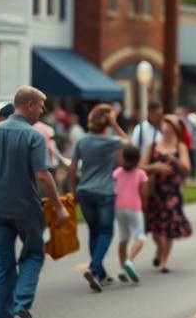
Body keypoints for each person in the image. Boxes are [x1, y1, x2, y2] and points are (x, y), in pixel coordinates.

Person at [0, 86, 68, 318]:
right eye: (41, 106)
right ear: (29, 105)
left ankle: (2, 315)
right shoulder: (33, 136)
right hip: (26, 208)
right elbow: (43, 175)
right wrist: (59, 206)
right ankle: (20, 306)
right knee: (33, 254)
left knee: (2, 264)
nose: (42, 111)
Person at [69, 103, 130, 291]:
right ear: (107, 121)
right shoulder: (110, 141)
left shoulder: (82, 141)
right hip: (104, 192)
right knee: (106, 232)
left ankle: (100, 274)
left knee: (94, 231)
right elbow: (129, 142)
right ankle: (94, 268)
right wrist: (115, 125)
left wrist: (73, 191)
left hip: (85, 191)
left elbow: (72, 169)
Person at [143, 115, 192, 272]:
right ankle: (160, 248)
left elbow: (187, 167)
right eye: (165, 124)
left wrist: (175, 160)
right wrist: (155, 167)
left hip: (173, 191)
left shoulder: (181, 146)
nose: (168, 127)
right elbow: (140, 166)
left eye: (171, 125)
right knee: (156, 227)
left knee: (170, 226)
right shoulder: (152, 146)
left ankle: (164, 260)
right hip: (155, 190)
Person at [113, 145, 148, 283]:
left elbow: (114, 187)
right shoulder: (140, 173)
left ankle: (122, 269)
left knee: (123, 237)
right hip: (134, 207)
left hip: (119, 207)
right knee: (140, 237)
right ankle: (130, 261)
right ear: (138, 159)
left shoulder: (117, 172)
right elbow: (144, 193)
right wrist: (145, 205)